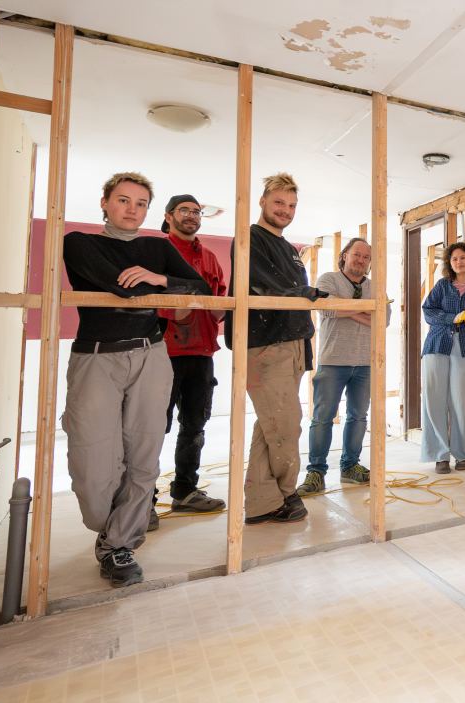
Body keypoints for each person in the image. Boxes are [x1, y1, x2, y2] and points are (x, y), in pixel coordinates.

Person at [61, 172, 210, 587]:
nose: (132, 209)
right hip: (96, 358)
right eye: (123, 200)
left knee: (143, 453)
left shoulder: (156, 248)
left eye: (141, 203)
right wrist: (149, 283)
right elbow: (119, 289)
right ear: (105, 202)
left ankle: (119, 545)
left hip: (150, 353)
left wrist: (160, 277)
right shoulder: (79, 242)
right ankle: (108, 529)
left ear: (149, 210)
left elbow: (199, 287)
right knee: (93, 462)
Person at [224, 172, 327, 525]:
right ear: (263, 201)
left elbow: (293, 292)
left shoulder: (290, 250)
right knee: (285, 427)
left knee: (270, 426)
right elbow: (261, 288)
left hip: (292, 343)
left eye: (292, 205)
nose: (285, 210)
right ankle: (285, 493)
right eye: (279, 202)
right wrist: (300, 296)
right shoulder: (249, 239)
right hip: (266, 346)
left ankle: (260, 502)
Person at [148, 194, 227, 529]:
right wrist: (183, 305)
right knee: (151, 428)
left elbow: (220, 301)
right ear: (169, 216)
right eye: (185, 211)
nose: (192, 216)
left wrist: (214, 307)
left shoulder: (208, 257)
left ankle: (185, 492)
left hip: (201, 352)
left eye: (197, 211)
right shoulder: (157, 254)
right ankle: (142, 500)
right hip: (163, 352)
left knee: (195, 425)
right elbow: (149, 301)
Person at [296, 237, 391, 496]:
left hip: (365, 362)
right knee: (322, 418)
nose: (361, 260)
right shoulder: (328, 279)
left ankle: (350, 467)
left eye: (366, 257)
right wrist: (365, 311)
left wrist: (344, 307)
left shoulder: (376, 286)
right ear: (345, 255)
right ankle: (316, 472)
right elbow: (326, 310)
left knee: (358, 417)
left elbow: (383, 320)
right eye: (356, 254)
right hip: (333, 360)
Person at [420, 241, 465, 474]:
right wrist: (452, 318)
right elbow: (428, 311)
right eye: (454, 259)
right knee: (434, 400)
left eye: (462, 258)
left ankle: (462, 454)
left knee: (462, 401)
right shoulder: (442, 285)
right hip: (437, 345)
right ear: (449, 263)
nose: (458, 262)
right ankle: (440, 455)